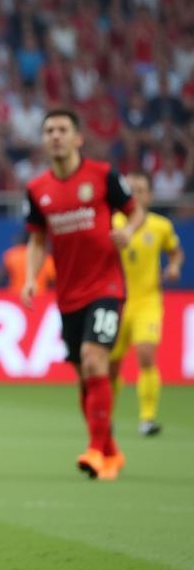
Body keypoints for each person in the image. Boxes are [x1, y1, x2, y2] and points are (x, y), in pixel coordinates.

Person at [21, 110, 145, 481]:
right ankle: (109, 450)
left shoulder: (103, 175)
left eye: (62, 130)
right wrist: (31, 277)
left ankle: (94, 450)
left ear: (77, 138)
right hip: (68, 294)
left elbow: (134, 211)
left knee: (94, 360)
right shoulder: (37, 188)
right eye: (49, 131)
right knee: (83, 374)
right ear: (44, 140)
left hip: (106, 286)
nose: (55, 136)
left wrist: (129, 231)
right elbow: (38, 239)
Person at [109, 171, 184, 437]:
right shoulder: (112, 222)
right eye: (131, 190)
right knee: (112, 365)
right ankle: (106, 415)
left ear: (150, 195)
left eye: (141, 190)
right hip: (116, 302)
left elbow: (175, 252)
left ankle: (147, 418)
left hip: (147, 301)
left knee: (146, 356)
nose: (136, 195)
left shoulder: (160, 226)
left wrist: (174, 267)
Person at [0, 229, 55, 295]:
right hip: (40, 297)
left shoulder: (13, 255)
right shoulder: (46, 258)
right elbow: (55, 282)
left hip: (15, 296)